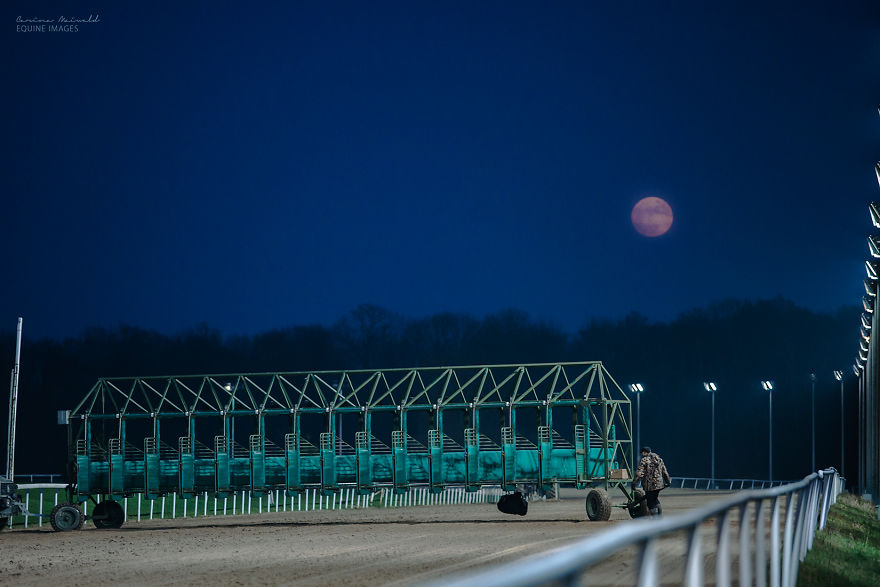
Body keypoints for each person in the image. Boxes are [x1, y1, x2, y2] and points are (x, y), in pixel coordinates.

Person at [632, 446, 671, 516]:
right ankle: (659, 517)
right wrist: (668, 482)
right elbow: (664, 472)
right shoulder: (659, 459)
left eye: (642, 453)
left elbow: (638, 474)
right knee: (655, 499)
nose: (642, 455)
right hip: (659, 485)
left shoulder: (644, 460)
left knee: (650, 503)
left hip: (649, 486)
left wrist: (634, 484)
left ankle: (655, 520)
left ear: (644, 452)